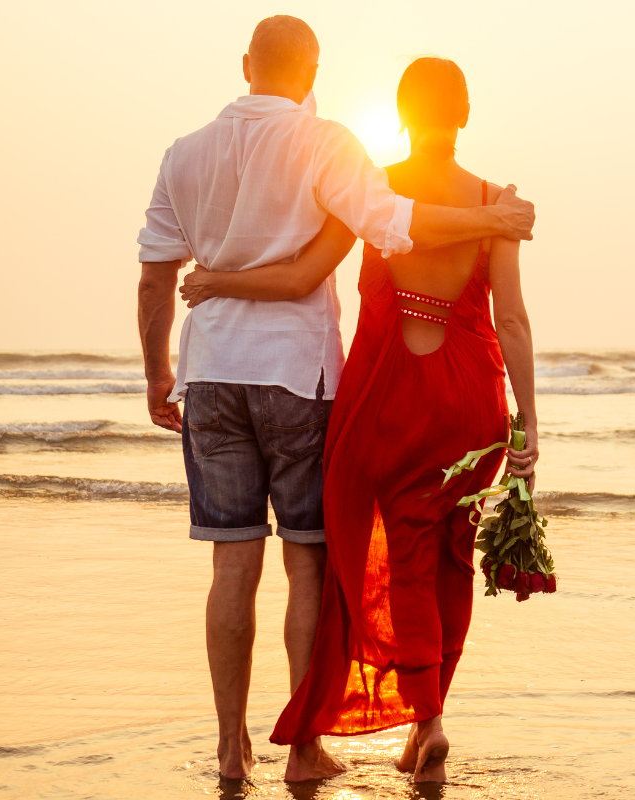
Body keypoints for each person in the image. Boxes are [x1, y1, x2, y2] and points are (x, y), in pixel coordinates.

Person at [135, 18, 536, 783]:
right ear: (313, 69)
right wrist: (489, 218)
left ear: (246, 64)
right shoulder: (329, 149)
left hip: (221, 371)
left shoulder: (183, 154)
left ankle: (232, 748)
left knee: (233, 565)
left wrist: (159, 371)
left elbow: (156, 274)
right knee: (316, 562)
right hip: (308, 377)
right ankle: (319, 743)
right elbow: (402, 237)